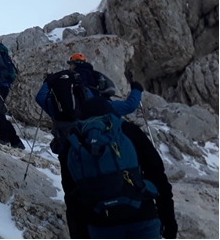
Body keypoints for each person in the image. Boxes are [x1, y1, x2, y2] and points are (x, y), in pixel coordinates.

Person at [35, 79, 144, 238]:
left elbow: (40, 97)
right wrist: (137, 89)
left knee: (73, 199)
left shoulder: (60, 105)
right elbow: (129, 105)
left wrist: (49, 82)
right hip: (107, 168)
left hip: (69, 153)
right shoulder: (103, 107)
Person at [62, 96, 177, 239]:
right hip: (142, 219)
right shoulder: (128, 130)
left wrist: (80, 235)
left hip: (100, 225)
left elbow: (72, 196)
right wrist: (169, 221)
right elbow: (158, 177)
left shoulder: (73, 143)